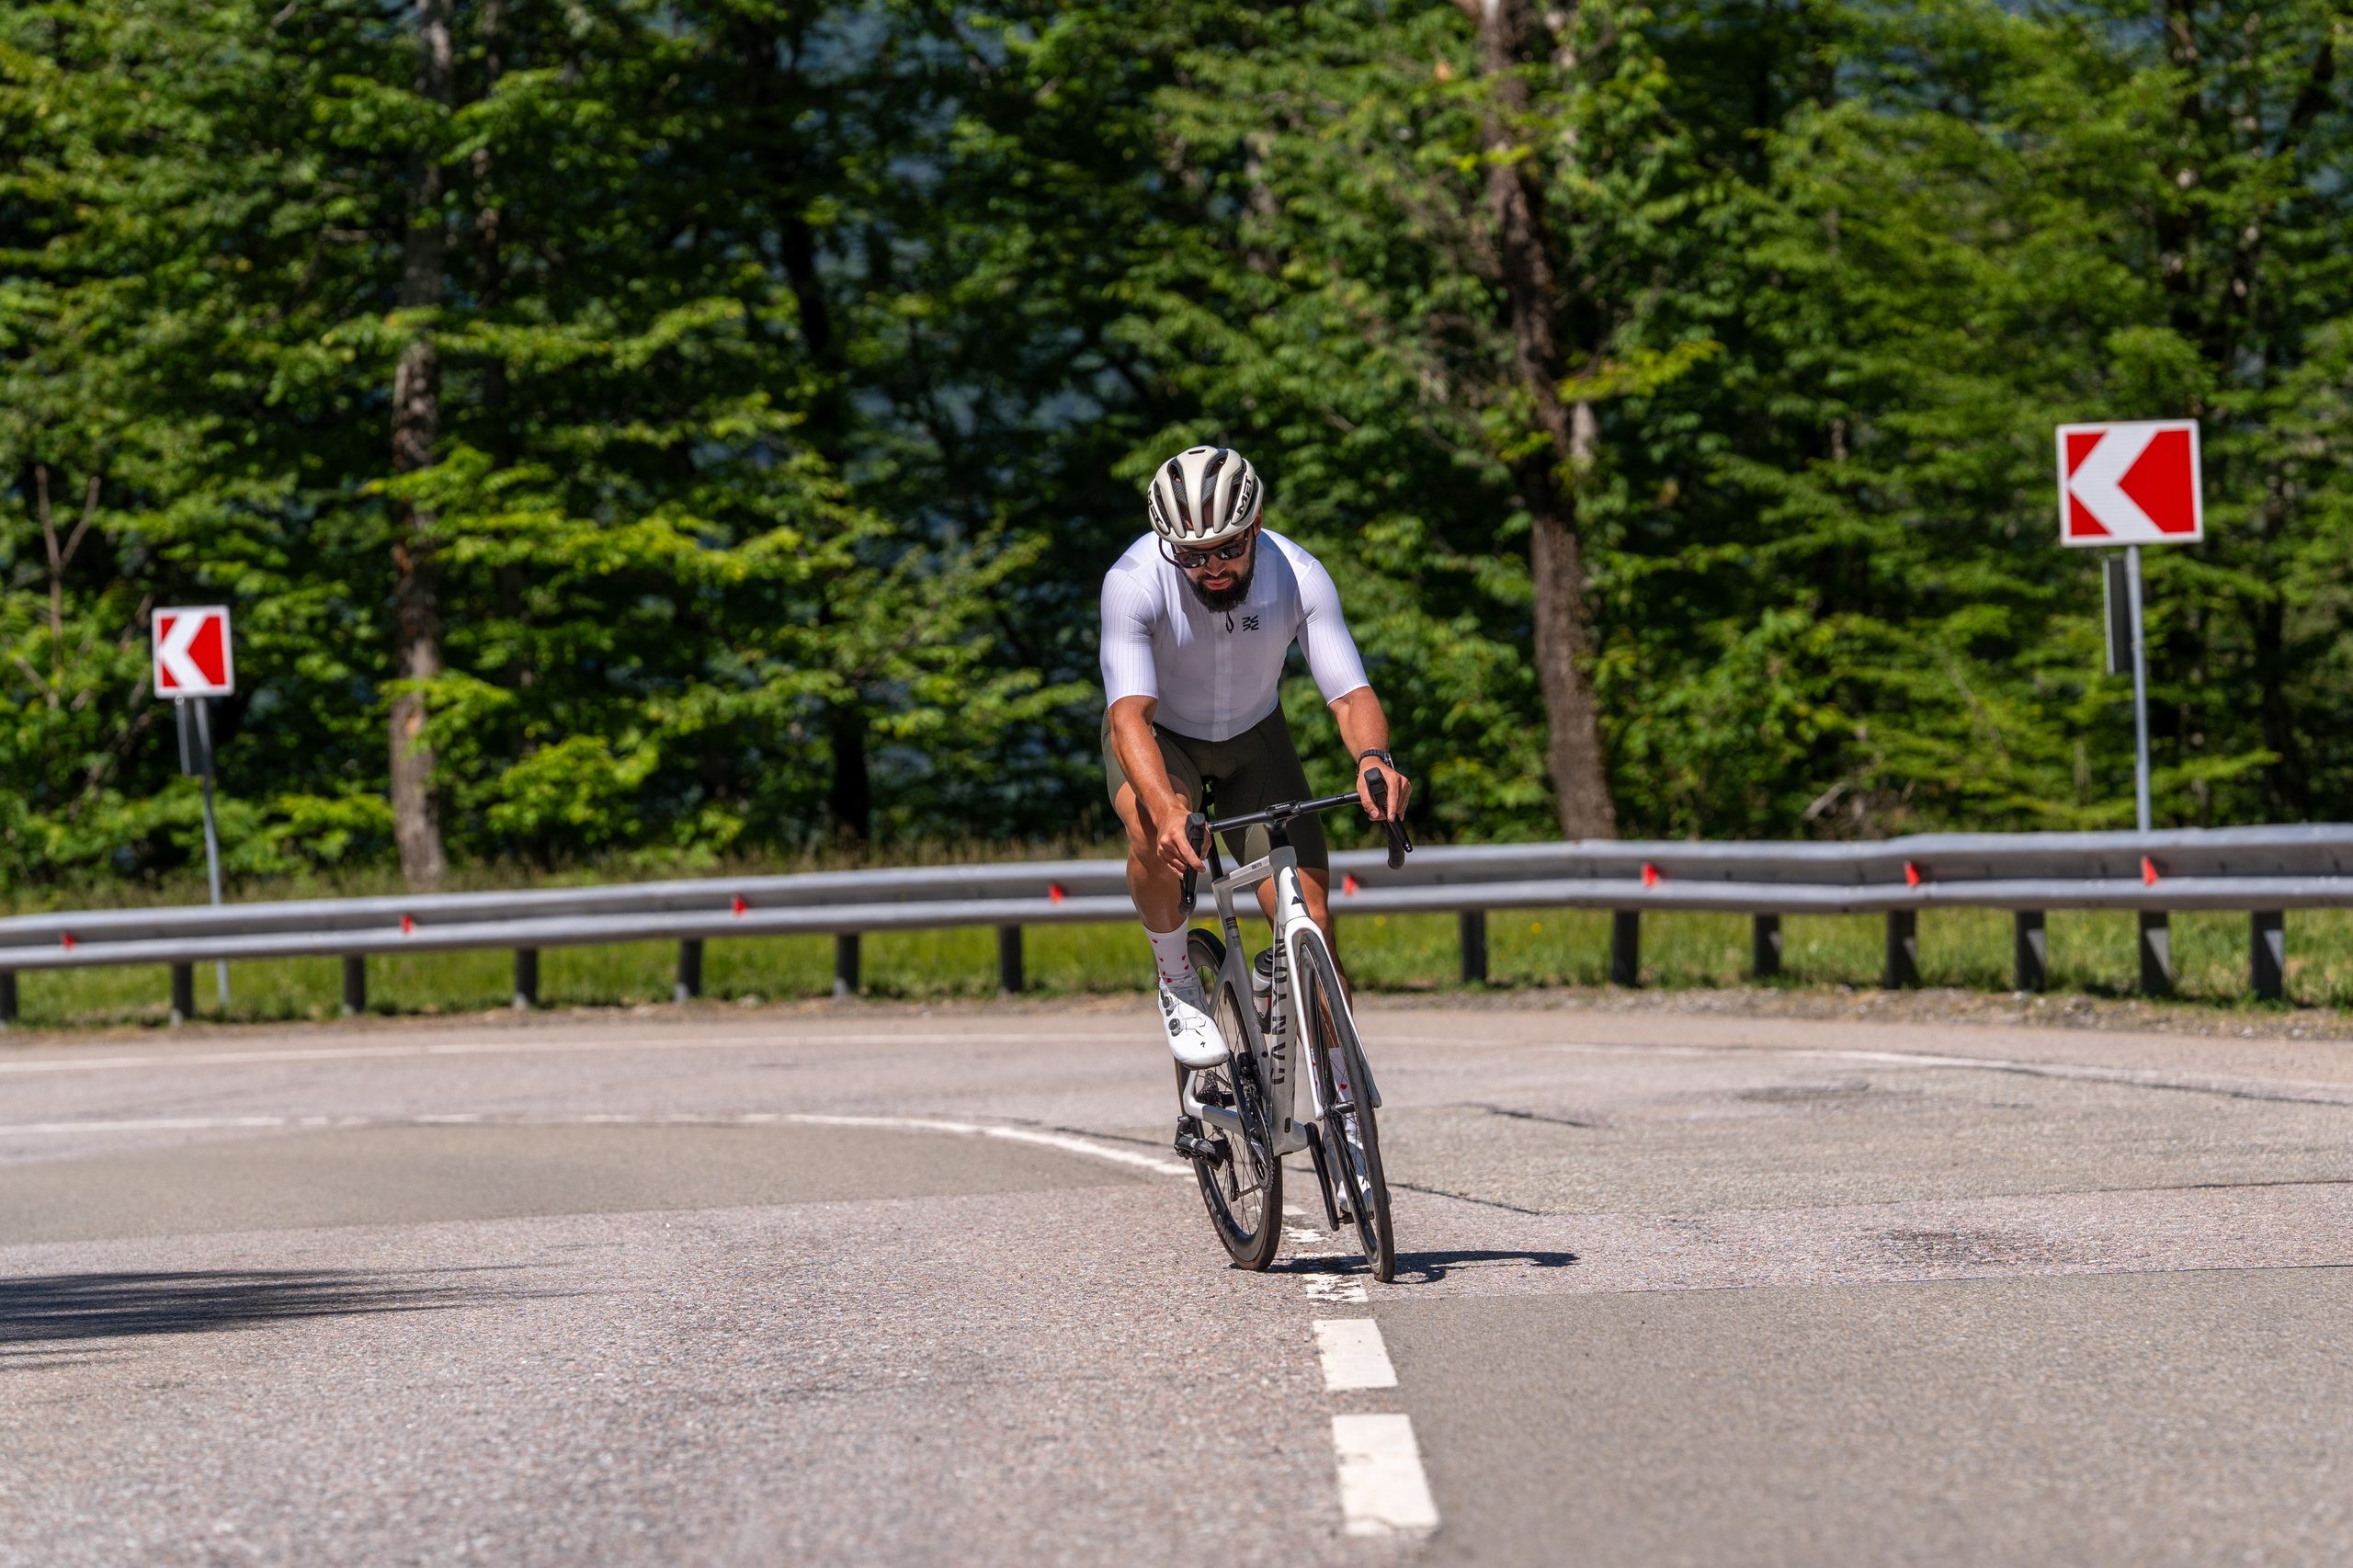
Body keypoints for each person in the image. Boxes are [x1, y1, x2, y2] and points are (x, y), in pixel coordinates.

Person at [1100, 445, 1412, 1069]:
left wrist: (1374, 759)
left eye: (1227, 549)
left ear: (1256, 525)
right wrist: (1165, 809)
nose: (1210, 567)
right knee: (1150, 824)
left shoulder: (1297, 574)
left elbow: (1351, 696)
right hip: (1166, 740)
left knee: (1312, 919)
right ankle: (1176, 977)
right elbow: (1128, 716)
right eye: (1190, 554)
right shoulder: (1132, 582)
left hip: (1255, 740)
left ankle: (1346, 1112)